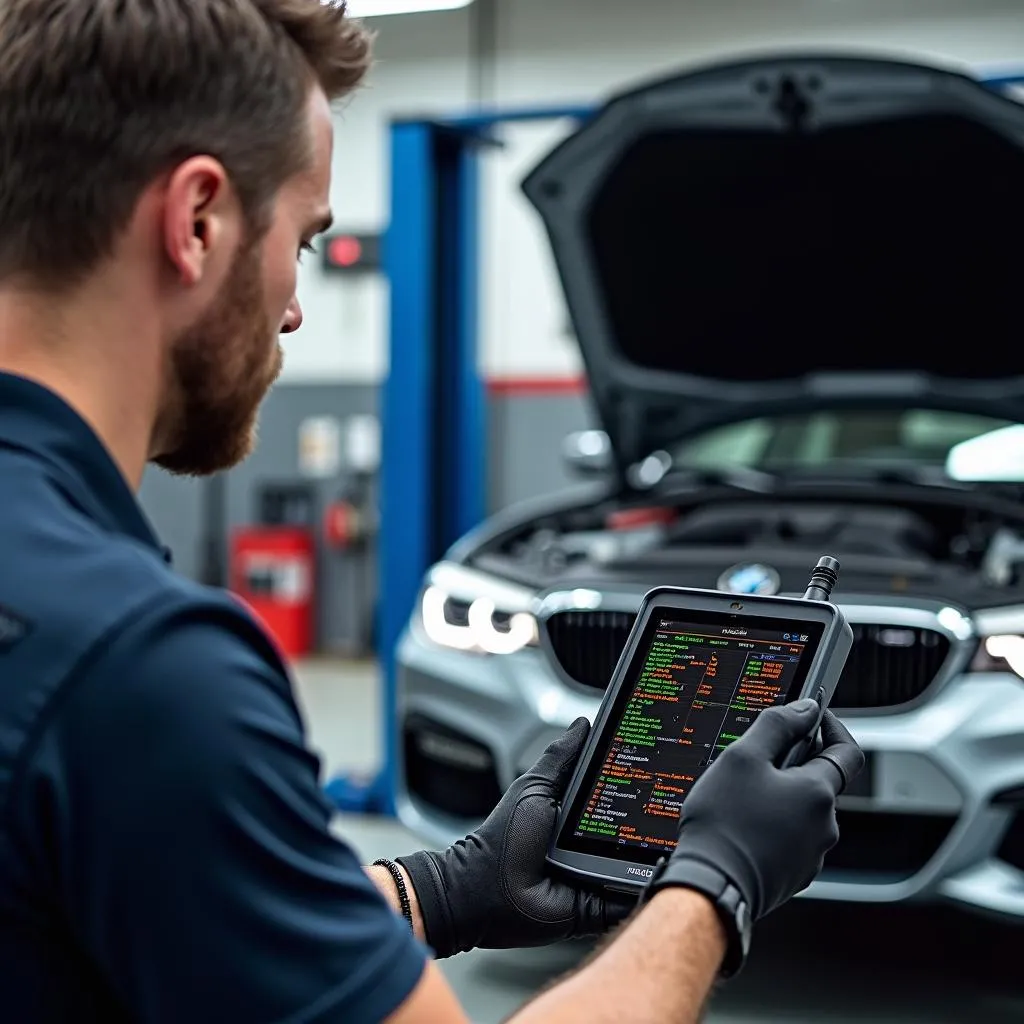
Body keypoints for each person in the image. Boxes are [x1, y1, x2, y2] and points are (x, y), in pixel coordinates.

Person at [0, 1, 864, 1022]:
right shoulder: (141, 667)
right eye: (306, 243)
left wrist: (449, 887)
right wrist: (713, 883)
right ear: (197, 222)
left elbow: (155, 905)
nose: (291, 308)